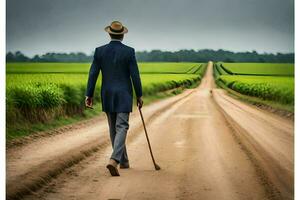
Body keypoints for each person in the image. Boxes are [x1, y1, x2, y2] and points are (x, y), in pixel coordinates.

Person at [85, 21, 143, 176]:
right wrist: (139, 95)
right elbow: (135, 76)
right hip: (124, 93)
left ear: (109, 34)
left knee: (113, 128)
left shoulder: (100, 51)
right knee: (122, 126)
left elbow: (93, 74)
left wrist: (89, 94)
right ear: (122, 35)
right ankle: (115, 160)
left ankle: (123, 161)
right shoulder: (129, 52)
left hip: (107, 94)